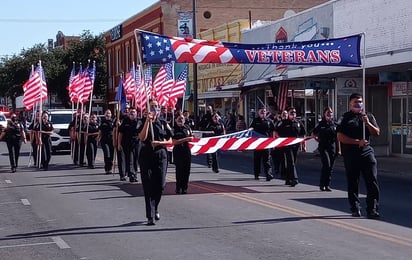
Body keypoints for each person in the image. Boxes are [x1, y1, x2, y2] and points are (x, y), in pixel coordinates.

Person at [336, 93, 380, 219]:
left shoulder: (368, 116)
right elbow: (340, 136)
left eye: (360, 101)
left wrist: (368, 123)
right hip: (351, 153)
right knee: (353, 182)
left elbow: (377, 132)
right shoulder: (345, 117)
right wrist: (356, 142)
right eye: (356, 102)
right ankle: (355, 207)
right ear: (350, 103)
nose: (358, 104)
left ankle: (372, 208)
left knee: (372, 180)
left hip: (366, 152)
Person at [137, 99, 173, 225]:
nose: (154, 109)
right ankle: (150, 215)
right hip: (146, 154)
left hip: (160, 154)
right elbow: (142, 137)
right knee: (148, 186)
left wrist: (160, 143)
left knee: (160, 185)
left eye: (156, 107)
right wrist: (147, 120)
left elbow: (170, 140)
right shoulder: (142, 121)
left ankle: (155, 207)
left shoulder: (163, 123)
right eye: (151, 107)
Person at [274, 107, 306, 186]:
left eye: (294, 112)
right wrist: (280, 141)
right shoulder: (284, 122)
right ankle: (294, 179)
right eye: (291, 112)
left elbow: (303, 134)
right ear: (288, 114)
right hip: (287, 146)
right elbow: (276, 131)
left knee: (292, 162)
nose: (293, 114)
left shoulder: (298, 123)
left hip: (296, 145)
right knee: (291, 161)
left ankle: (288, 179)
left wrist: (304, 145)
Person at [312, 107, 340, 192]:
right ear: (324, 114)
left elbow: (338, 138)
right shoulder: (321, 124)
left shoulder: (335, 125)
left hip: (332, 147)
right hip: (323, 147)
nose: (329, 114)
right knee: (326, 165)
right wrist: (317, 139)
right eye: (328, 112)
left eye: (331, 113)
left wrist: (339, 150)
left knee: (330, 167)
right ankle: (322, 184)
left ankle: (327, 185)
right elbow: (313, 133)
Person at [249, 107, 275, 181]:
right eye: (261, 111)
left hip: (266, 143)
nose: (263, 113)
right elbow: (251, 130)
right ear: (258, 112)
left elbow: (272, 131)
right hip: (257, 143)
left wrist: (273, 141)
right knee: (257, 159)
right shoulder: (255, 120)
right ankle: (256, 174)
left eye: (264, 111)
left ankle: (268, 175)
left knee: (267, 159)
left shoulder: (269, 121)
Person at [172, 112, 194, 194]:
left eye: (182, 118)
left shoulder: (187, 127)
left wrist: (192, 137)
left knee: (186, 170)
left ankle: (185, 187)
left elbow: (191, 136)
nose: (181, 120)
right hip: (178, 151)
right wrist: (186, 139)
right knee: (179, 170)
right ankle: (178, 187)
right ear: (176, 120)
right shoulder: (174, 129)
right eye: (179, 119)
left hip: (186, 150)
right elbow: (174, 142)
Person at [118, 107, 140, 183]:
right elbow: (121, 133)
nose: (132, 113)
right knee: (130, 159)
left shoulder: (139, 122)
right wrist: (119, 143)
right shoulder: (125, 121)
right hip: (127, 143)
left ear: (136, 113)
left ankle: (135, 174)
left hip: (137, 144)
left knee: (136, 160)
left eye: (133, 112)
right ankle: (131, 175)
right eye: (130, 112)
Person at [98, 109, 114, 174]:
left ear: (111, 114)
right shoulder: (102, 122)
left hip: (111, 140)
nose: (108, 114)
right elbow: (100, 132)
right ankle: (107, 168)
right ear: (105, 114)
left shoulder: (113, 122)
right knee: (107, 154)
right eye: (107, 113)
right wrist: (98, 139)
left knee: (111, 155)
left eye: (109, 113)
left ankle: (110, 168)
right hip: (104, 141)